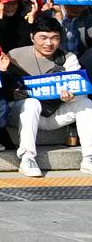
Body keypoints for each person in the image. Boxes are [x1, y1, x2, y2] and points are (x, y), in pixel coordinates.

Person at [8, 18, 92, 177]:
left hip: (53, 113)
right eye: (43, 38)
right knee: (31, 103)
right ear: (32, 37)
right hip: (23, 112)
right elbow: (2, 87)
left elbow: (79, 90)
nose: (49, 43)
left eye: (55, 38)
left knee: (85, 102)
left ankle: (89, 158)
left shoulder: (68, 58)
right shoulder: (14, 55)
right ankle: (27, 157)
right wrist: (12, 92)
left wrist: (71, 98)